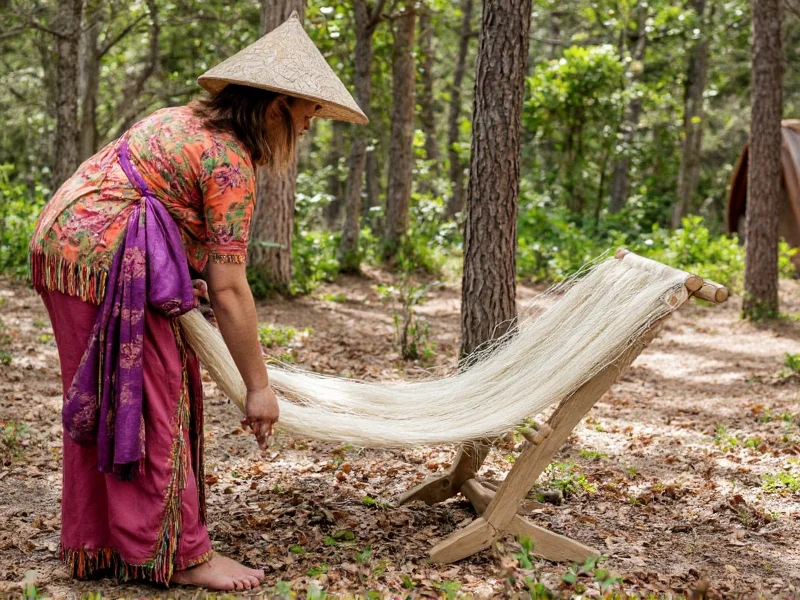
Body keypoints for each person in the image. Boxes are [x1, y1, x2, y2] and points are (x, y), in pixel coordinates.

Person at [28, 12, 367, 591]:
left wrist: (179, 275)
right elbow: (233, 287)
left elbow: (155, 204)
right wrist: (258, 386)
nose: (311, 124)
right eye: (309, 109)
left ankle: (105, 545)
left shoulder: (178, 119)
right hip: (105, 261)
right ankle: (182, 557)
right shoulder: (229, 160)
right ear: (278, 103)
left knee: (107, 400)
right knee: (156, 400)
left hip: (64, 250)